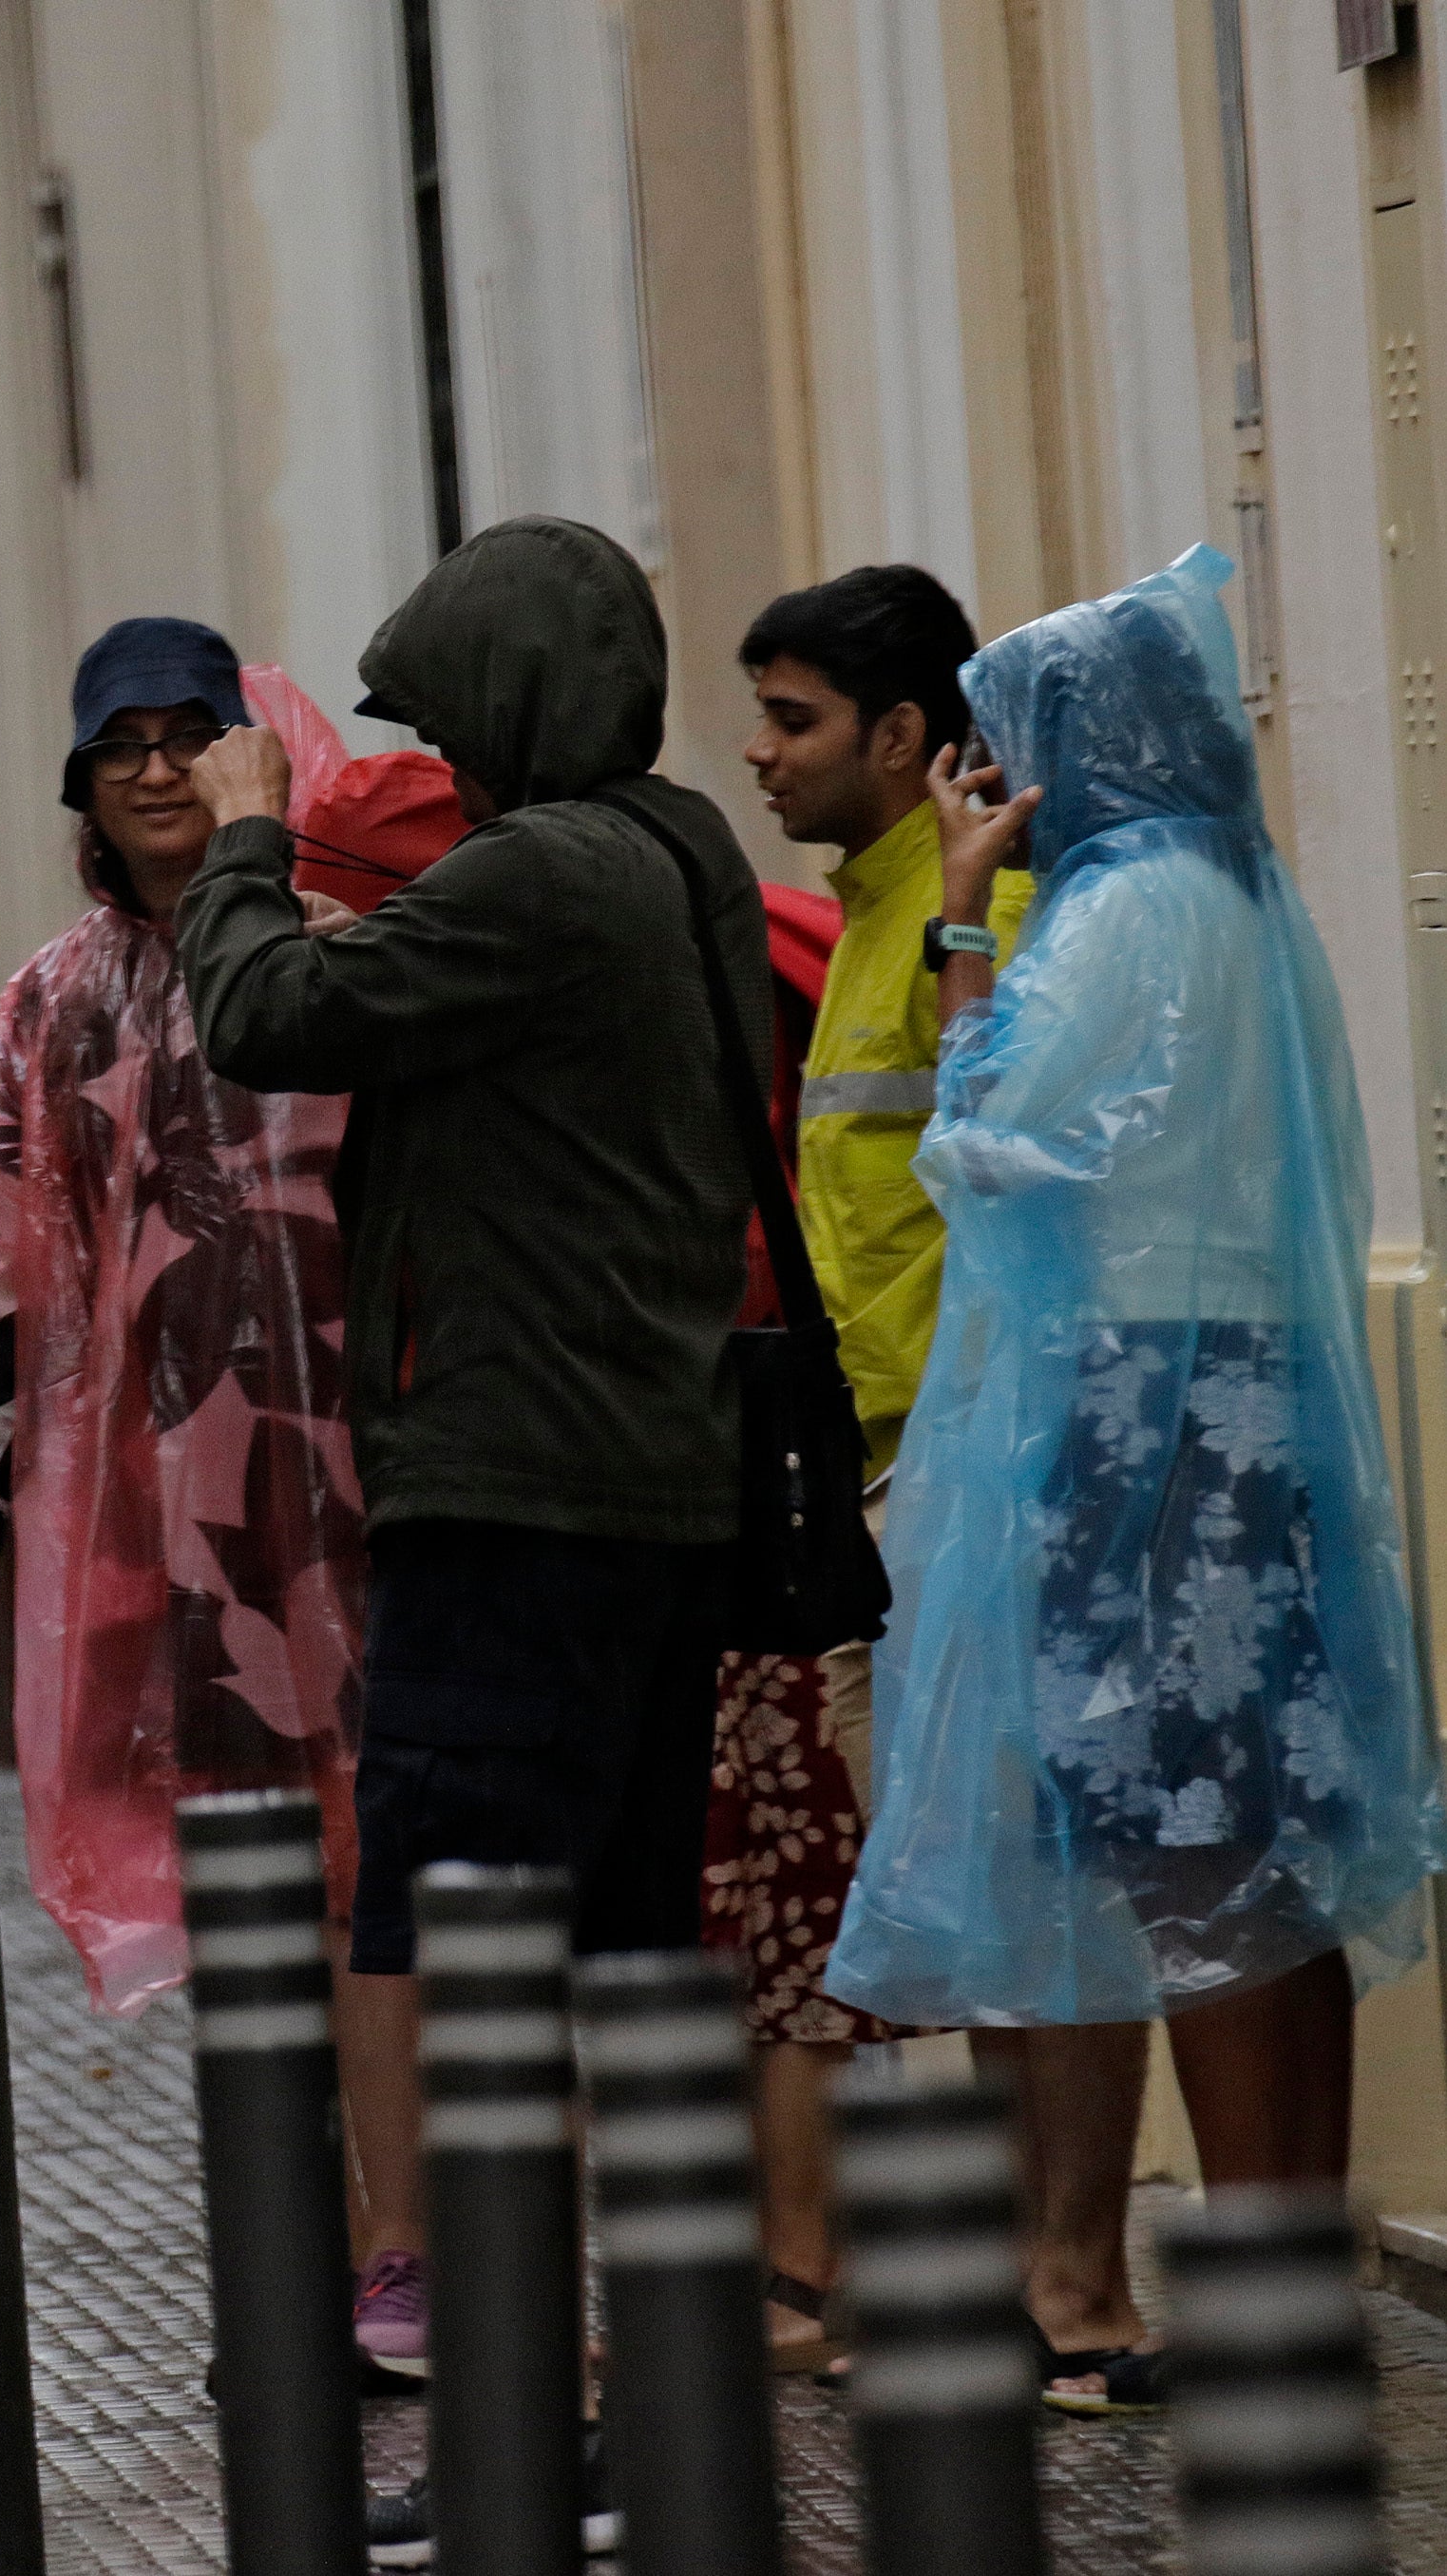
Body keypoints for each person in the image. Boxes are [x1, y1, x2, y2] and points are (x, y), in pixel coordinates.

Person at [177, 516, 767, 2552]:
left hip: (519, 1486)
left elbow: (254, 1016)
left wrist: (242, 846)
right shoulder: (673, 852)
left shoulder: (543, 879)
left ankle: (528, 2426)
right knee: (603, 1962)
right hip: (646, 1479)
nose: (423, 763)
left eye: (439, 719)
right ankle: (604, 2423)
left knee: (463, 1951)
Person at [828, 548, 1447, 2404]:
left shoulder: (1119, 914)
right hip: (1229, 1405)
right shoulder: (1239, 900)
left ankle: (1264, 2299)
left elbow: (989, 1133)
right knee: (1245, 1854)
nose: (992, 797)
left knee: (1200, 1858)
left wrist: (952, 920)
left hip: (1149, 1420)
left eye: (1009, 755)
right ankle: (1280, 2274)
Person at [0, 617, 456, 2381]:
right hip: (167, 1528)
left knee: (372, 1876)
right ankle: (296, 2256)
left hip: (360, 1500)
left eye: (187, 733)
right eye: (118, 742)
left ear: (250, 754)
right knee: (252, 1893)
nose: (154, 766)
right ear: (78, 781)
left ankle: (411, 2250)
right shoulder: (48, 1005)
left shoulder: (331, 955)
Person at [713, 563, 1041, 2376]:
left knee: (970, 1886)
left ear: (905, 736)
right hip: (877, 1471)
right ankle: (971, 2262)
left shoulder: (958, 914)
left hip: (950, 1468)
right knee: (921, 1889)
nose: (758, 754)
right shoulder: (870, 912)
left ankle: (1012, 2270)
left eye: (793, 720)